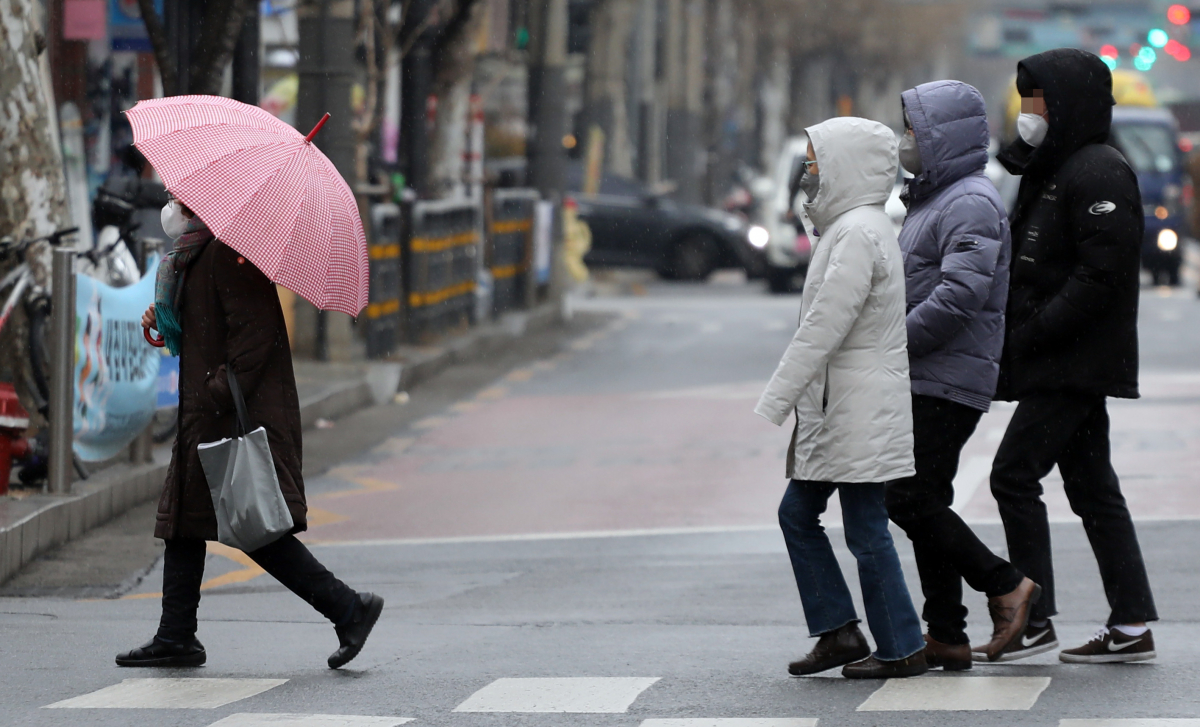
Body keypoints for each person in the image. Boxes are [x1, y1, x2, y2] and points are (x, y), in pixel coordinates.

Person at [119, 196, 384, 669]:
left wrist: (213, 393)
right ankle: (176, 634)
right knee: (183, 521)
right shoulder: (196, 252)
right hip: (206, 413)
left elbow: (255, 339)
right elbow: (207, 325)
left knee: (254, 527)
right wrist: (164, 316)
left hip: (231, 415)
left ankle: (349, 608)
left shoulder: (228, 253)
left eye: (180, 198)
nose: (172, 204)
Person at [983, 48, 1157, 663]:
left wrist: (1032, 330)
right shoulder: (1056, 165)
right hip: (1060, 358)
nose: (1028, 111)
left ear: (1069, 103)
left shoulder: (1100, 171)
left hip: (1072, 362)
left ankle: (1031, 616)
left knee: (1012, 475)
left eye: (1038, 99)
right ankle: (1130, 624)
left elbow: (1100, 276)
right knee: (1093, 490)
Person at [756, 117, 927, 680]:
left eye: (815, 159)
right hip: (847, 403)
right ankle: (845, 633)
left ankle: (893, 643)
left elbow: (826, 324)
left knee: (855, 526)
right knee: (822, 518)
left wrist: (778, 395)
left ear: (845, 164)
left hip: (853, 404)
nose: (809, 170)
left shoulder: (857, 234)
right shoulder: (854, 227)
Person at [885, 80, 1041, 670]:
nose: (906, 140)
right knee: (926, 498)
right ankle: (946, 633)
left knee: (905, 496)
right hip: (928, 375)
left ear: (940, 136)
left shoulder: (969, 201)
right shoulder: (935, 199)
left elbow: (958, 297)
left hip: (945, 379)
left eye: (913, 130)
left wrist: (889, 346)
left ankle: (1004, 583)